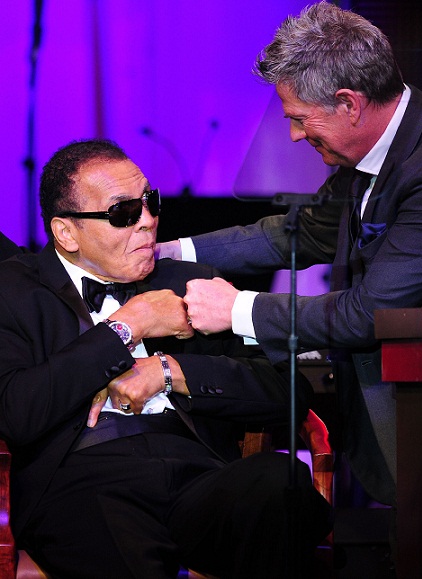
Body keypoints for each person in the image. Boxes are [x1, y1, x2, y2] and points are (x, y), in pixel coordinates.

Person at [157, 1, 422, 509]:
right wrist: (170, 250)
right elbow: (294, 235)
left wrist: (236, 310)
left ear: (349, 103)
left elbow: (368, 313)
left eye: (299, 118)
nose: (294, 135)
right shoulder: (377, 147)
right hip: (384, 419)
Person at [0, 139, 331, 579]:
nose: (149, 222)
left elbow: (287, 393)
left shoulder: (191, 283)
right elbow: (16, 411)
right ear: (66, 232)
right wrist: (128, 325)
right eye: (124, 213)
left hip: (197, 472)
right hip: (82, 480)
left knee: (277, 482)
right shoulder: (15, 290)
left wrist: (169, 371)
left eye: (150, 203)